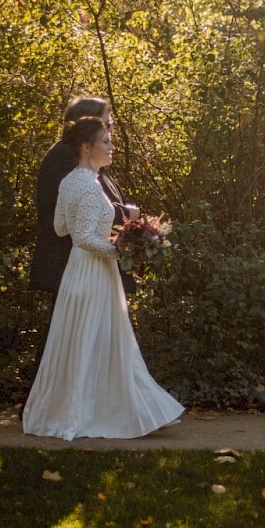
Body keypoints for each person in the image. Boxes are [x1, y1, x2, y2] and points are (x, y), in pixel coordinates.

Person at [22, 114, 185, 439]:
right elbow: (82, 238)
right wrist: (125, 251)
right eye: (105, 142)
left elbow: (60, 227)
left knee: (99, 341)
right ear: (86, 146)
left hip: (81, 271)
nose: (112, 147)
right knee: (100, 341)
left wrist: (120, 229)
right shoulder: (84, 184)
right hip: (93, 274)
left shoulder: (73, 181)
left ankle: (132, 408)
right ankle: (102, 413)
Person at [28, 96, 137, 381]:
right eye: (106, 126)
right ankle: (45, 402)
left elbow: (69, 219)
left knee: (75, 338)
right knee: (66, 338)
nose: (110, 134)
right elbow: (77, 217)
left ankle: (70, 403)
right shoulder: (68, 160)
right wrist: (124, 242)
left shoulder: (84, 162)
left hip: (85, 264)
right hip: (73, 266)